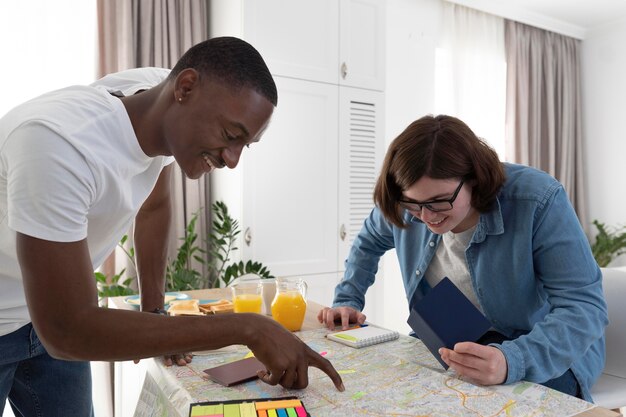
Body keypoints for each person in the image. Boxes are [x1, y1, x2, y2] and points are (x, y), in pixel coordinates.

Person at [0, 36, 343, 416]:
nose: (232, 160)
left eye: (246, 144)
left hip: (44, 319)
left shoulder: (155, 97)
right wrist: (249, 328)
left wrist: (154, 310)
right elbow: (67, 330)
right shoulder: (58, 145)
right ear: (185, 88)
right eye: (231, 136)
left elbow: (155, 206)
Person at [318, 114, 607, 402]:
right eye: (415, 205)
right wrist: (348, 298)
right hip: (452, 337)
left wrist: (510, 360)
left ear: (474, 177)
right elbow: (368, 242)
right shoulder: (407, 203)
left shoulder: (537, 200)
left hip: (542, 348)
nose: (427, 217)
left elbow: (584, 307)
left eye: (439, 201)